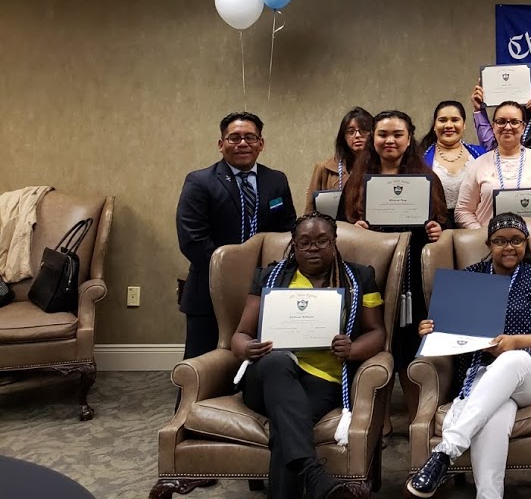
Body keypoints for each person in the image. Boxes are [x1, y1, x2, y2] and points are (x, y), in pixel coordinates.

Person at [408, 214, 531, 499]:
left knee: (511, 359)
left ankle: (445, 451)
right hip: (485, 376)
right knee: (494, 416)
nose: (509, 247)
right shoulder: (471, 278)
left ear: (526, 244)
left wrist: (514, 342)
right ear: (488, 243)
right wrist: (430, 327)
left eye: (516, 241)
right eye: (500, 241)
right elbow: (450, 326)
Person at [232, 212, 382, 499]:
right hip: (264, 379)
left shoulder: (361, 277)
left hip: (323, 381)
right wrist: (247, 347)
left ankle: (311, 473)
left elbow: (377, 332)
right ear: (294, 245)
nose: (313, 248)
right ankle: (314, 475)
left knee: (286, 431)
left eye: (322, 241)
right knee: (277, 360)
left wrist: (353, 349)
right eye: (305, 242)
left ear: (335, 242)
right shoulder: (269, 277)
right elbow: (239, 335)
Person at [337, 110, 445, 404]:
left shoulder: (427, 179)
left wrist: (438, 228)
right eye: (383, 134)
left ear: (409, 139)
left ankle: (414, 417)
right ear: (373, 139)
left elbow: (443, 224)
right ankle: (377, 422)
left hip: (413, 281)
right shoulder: (357, 182)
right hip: (373, 279)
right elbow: (338, 228)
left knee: (412, 352)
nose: (390, 141)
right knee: (376, 349)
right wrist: (353, 229)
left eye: (398, 135)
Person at [176, 112, 296, 359]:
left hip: (264, 290)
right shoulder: (200, 181)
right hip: (210, 289)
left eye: (250, 137)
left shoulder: (276, 180)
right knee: (202, 368)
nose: (243, 143)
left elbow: (287, 231)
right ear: (221, 144)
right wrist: (233, 274)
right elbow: (193, 240)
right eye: (234, 138)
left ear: (261, 143)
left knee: (260, 364)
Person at [456, 101, 531, 229]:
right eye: (501, 121)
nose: (508, 127)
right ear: (493, 126)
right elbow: (463, 211)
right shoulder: (478, 165)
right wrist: (482, 234)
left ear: (523, 127)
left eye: (515, 122)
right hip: (488, 244)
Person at [419, 100, 487, 224]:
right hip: (434, 229)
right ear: (434, 125)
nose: (448, 125)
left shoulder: (481, 154)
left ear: (464, 124)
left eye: (455, 120)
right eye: (442, 120)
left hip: (476, 227)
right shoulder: (420, 157)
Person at [305, 107, 373, 214]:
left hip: (370, 229)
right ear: (343, 137)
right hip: (334, 229)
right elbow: (309, 212)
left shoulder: (382, 166)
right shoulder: (324, 168)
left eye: (363, 130)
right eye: (350, 132)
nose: (357, 136)